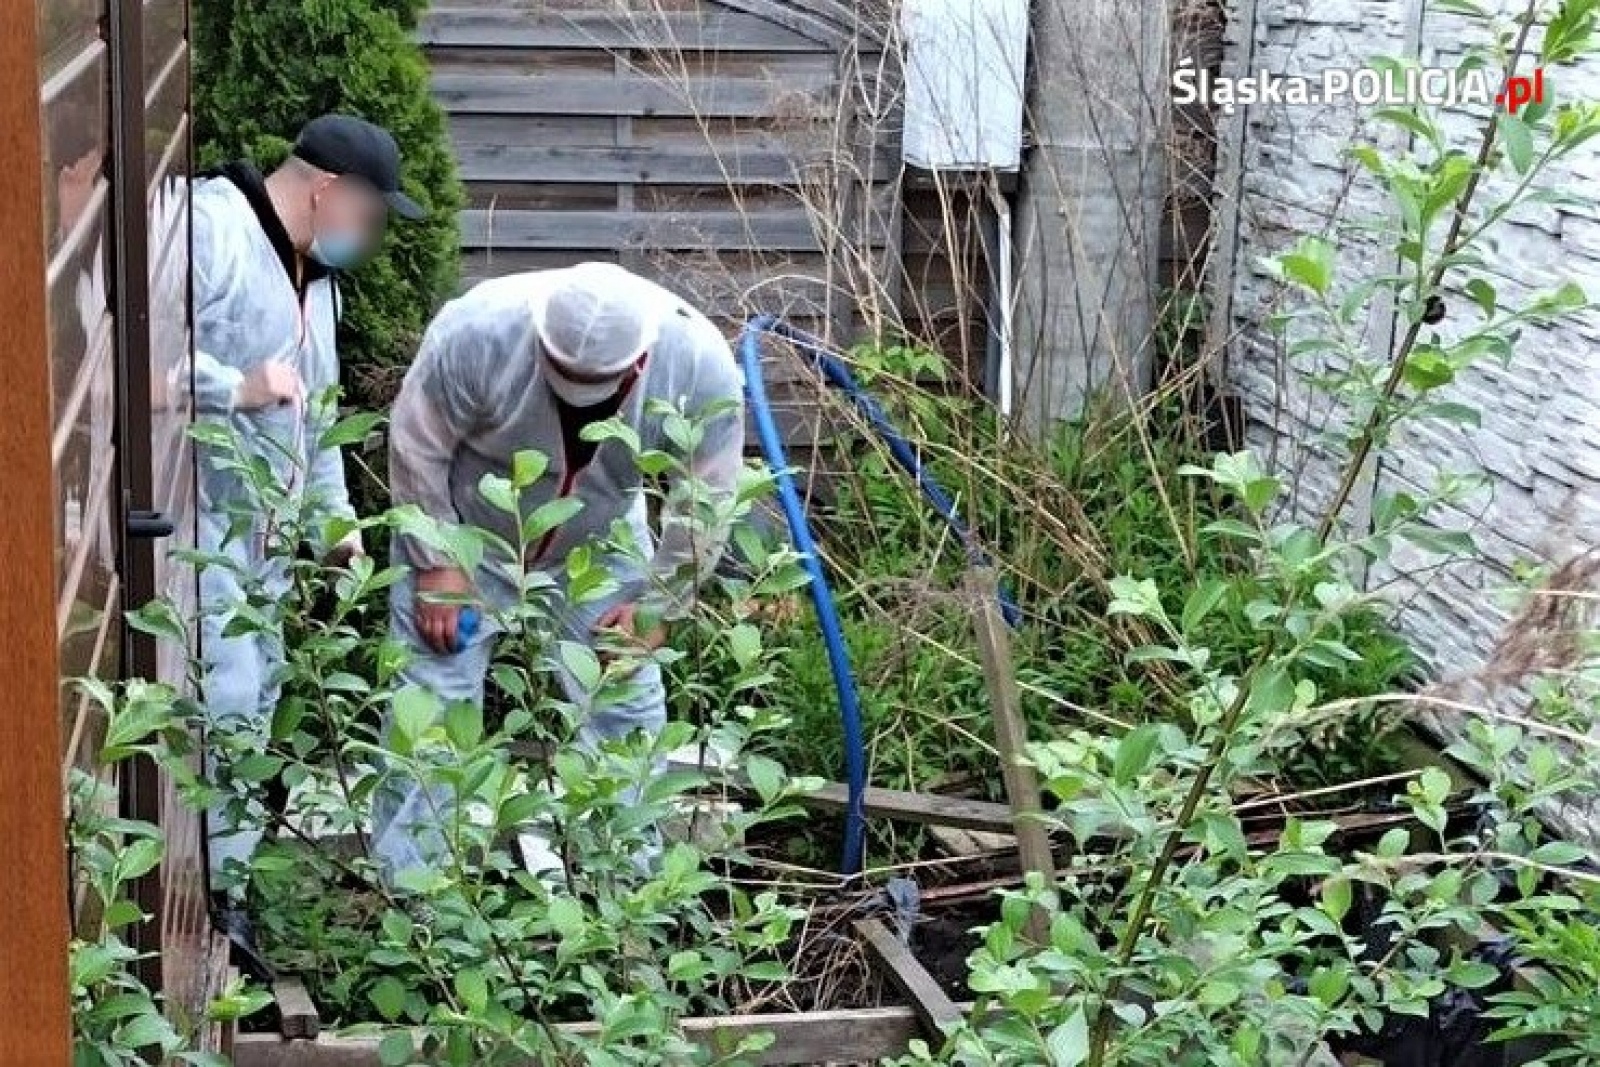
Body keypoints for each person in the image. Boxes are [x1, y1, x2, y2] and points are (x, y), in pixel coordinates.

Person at [374, 262, 746, 879]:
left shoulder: (697, 362)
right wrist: (437, 561)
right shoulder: (480, 329)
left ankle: (624, 887)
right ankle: (416, 897)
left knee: (620, 698)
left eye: (593, 379)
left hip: (595, 541)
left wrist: (661, 602)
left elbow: (707, 494)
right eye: (561, 371)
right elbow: (417, 442)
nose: (574, 386)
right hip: (470, 533)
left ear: (637, 362)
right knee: (431, 704)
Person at [188, 113, 426, 979]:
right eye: (372, 215)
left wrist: (338, 529)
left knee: (262, 705)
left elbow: (315, 423)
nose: (370, 235)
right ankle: (221, 903)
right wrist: (230, 387)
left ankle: (235, 896)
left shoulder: (318, 284)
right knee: (231, 704)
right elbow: (116, 350)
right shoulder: (207, 228)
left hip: (268, 555)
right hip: (195, 535)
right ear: (331, 191)